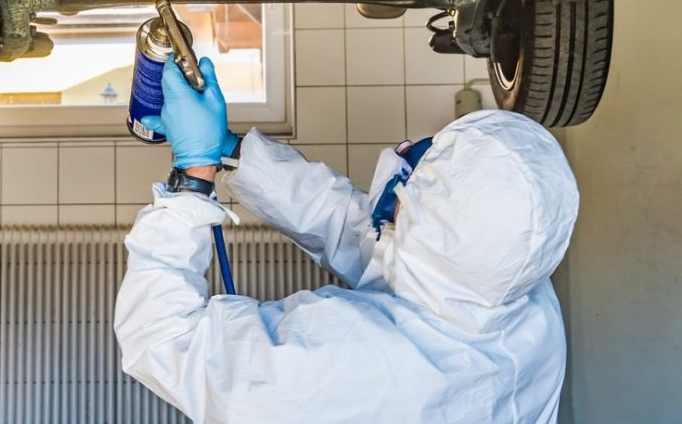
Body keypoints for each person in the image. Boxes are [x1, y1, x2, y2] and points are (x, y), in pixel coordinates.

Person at [114, 57, 579, 423]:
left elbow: (162, 337)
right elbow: (363, 233)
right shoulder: (515, 296)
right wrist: (228, 151)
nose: (402, 151)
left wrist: (194, 178)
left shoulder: (350, 370)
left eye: (420, 165)